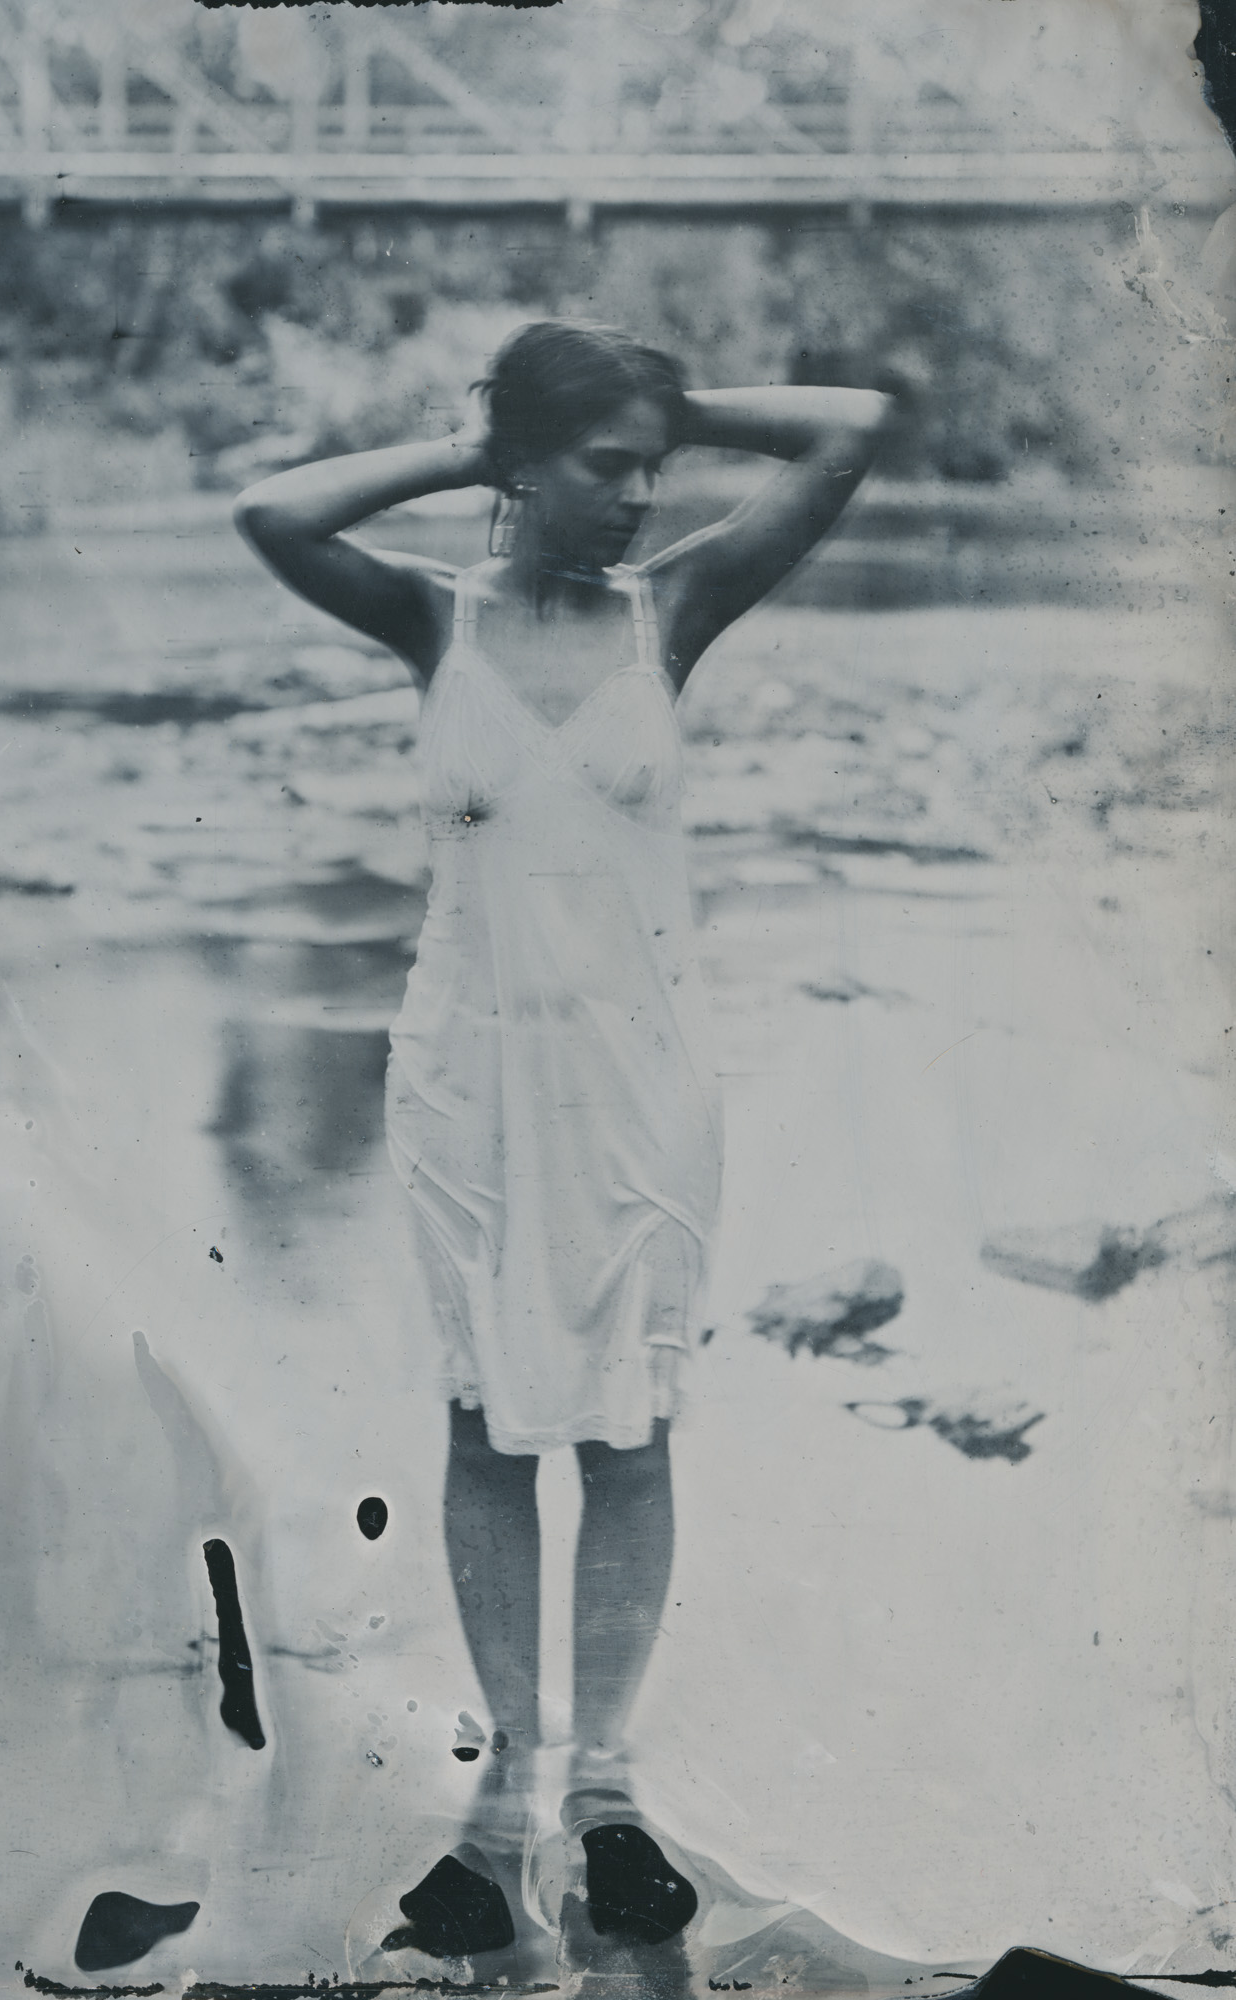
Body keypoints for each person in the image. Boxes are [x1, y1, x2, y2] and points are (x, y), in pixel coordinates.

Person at [235, 321, 894, 1964]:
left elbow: (849, 425)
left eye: (651, 468)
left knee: (629, 1430)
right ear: (523, 465)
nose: (638, 494)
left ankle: (602, 1787)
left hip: (637, 1079)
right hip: (467, 1074)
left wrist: (670, 405)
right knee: (483, 1424)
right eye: (606, 466)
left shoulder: (674, 605)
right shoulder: (431, 618)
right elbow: (271, 514)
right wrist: (472, 452)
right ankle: (505, 1789)